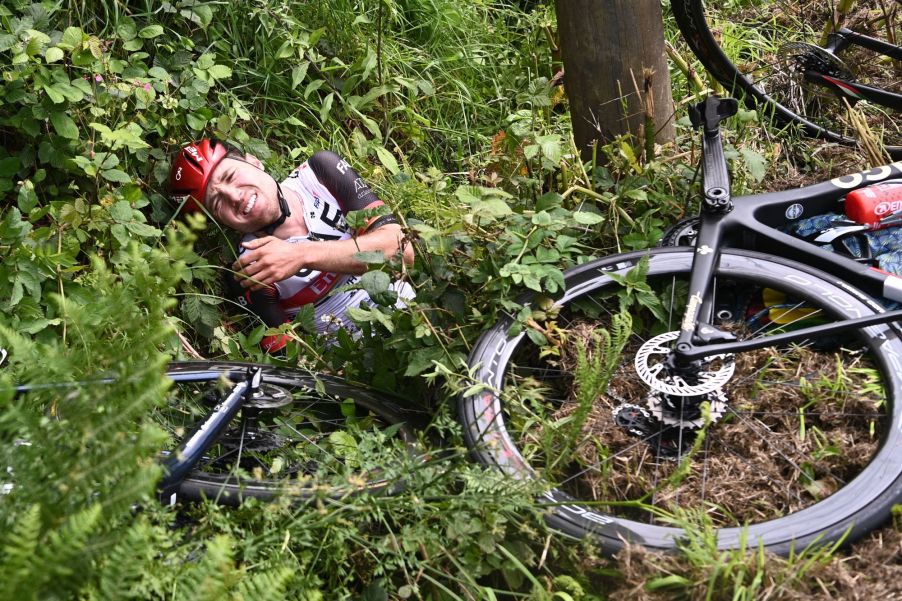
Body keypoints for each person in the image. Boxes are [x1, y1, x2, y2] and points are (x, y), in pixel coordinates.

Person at [169, 139, 414, 352]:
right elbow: (291, 360)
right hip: (359, 363)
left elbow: (404, 251)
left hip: (417, 314)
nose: (234, 196)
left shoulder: (320, 173)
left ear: (254, 161)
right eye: (217, 202)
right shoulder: (249, 268)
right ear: (220, 222)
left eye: (231, 176)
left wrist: (301, 255)